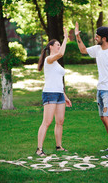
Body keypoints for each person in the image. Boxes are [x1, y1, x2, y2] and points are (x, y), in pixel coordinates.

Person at [75, 22, 108, 158]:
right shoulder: (97, 50)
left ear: (103, 38)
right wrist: (77, 37)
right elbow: (83, 50)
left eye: (97, 37)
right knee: (103, 118)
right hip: (100, 89)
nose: (95, 38)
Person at [36, 27, 72, 156]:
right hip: (50, 93)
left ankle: (59, 146)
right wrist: (66, 37)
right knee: (47, 122)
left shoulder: (56, 63)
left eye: (60, 44)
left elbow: (58, 81)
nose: (59, 46)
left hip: (59, 94)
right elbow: (61, 53)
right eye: (57, 44)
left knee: (60, 121)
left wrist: (65, 96)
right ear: (51, 47)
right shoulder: (49, 60)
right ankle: (39, 149)